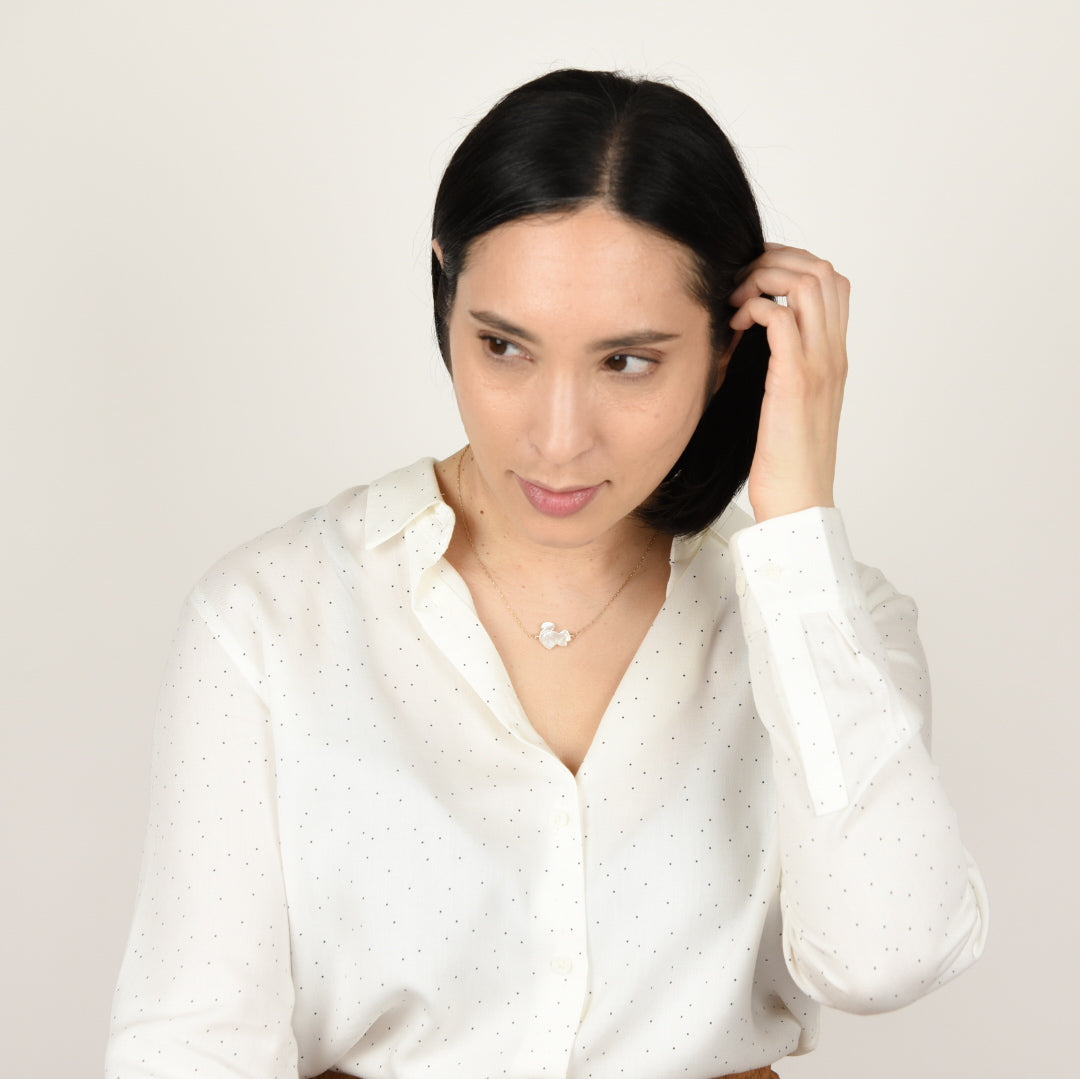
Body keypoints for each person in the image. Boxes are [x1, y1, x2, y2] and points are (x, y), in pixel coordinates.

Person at [105, 69, 988, 1079]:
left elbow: (888, 955)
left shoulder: (826, 620)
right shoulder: (271, 617)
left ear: (730, 348)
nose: (557, 438)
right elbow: (190, 1042)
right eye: (504, 346)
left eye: (629, 361)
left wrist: (795, 526)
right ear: (445, 290)